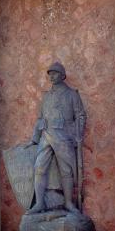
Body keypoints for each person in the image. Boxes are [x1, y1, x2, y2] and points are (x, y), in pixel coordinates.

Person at [24, 61, 86, 214]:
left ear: (63, 76)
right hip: (46, 135)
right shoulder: (46, 96)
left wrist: (77, 134)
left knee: (66, 171)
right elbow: (40, 118)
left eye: (55, 73)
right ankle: (39, 204)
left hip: (64, 136)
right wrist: (34, 139)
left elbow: (80, 115)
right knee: (39, 168)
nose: (52, 76)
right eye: (50, 74)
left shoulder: (72, 95)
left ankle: (69, 203)